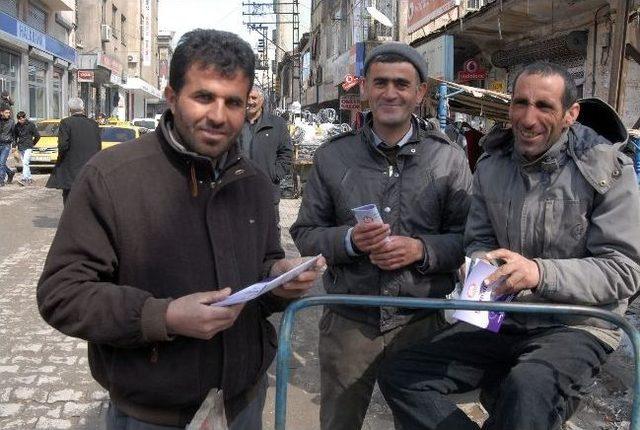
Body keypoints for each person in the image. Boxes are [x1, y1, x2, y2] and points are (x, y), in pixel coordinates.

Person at [37, 29, 324, 430]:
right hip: (151, 416)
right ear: (172, 97)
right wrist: (164, 317)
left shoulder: (254, 183)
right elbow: (61, 294)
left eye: (233, 102)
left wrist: (277, 280)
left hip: (243, 405)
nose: (219, 116)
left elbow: (261, 268)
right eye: (203, 97)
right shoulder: (110, 177)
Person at [378, 61, 640, 430]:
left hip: (577, 325)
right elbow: (480, 239)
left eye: (544, 106)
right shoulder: (492, 164)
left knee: (525, 389)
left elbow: (624, 270)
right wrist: (480, 260)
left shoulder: (608, 170)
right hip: (505, 318)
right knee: (401, 374)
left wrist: (538, 273)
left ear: (570, 114)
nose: (528, 118)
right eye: (521, 103)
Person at [290, 42, 472, 430]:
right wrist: (351, 241)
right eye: (381, 83)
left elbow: (469, 239)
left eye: (402, 84)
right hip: (349, 321)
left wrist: (422, 250)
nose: (391, 93)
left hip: (422, 322)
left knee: (422, 422)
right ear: (365, 90)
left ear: (420, 93)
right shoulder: (332, 157)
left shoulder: (449, 158)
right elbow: (306, 233)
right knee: (340, 422)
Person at [239, 85, 292, 225]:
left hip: (267, 192)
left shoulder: (277, 124)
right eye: (247, 98)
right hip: (238, 192)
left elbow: (286, 154)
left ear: (262, 100)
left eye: (254, 98)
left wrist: (274, 174)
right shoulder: (234, 123)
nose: (250, 102)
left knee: (269, 236)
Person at [45, 97, 101, 204]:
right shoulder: (93, 124)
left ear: (70, 110)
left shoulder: (66, 123)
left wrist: (60, 160)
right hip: (89, 168)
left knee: (69, 199)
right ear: (83, 108)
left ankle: (70, 219)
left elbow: (63, 145)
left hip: (70, 168)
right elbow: (98, 146)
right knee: (86, 199)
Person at [14, 111, 40, 186]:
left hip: (28, 146)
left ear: (25, 117)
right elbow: (15, 137)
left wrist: (33, 143)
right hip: (21, 146)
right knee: (25, 163)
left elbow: (37, 136)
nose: (20, 120)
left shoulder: (31, 125)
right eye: (19, 119)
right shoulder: (17, 126)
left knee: (25, 162)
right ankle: (29, 178)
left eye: (22, 118)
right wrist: (14, 146)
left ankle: (24, 179)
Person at [0, 104, 16, 186]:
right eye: (6, 113)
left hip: (6, 144)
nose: (8, 114)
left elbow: (14, 135)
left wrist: (13, 146)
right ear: (1, 112)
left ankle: (1, 181)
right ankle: (10, 173)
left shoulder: (11, 121)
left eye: (9, 113)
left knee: (1, 163)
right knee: (0, 163)